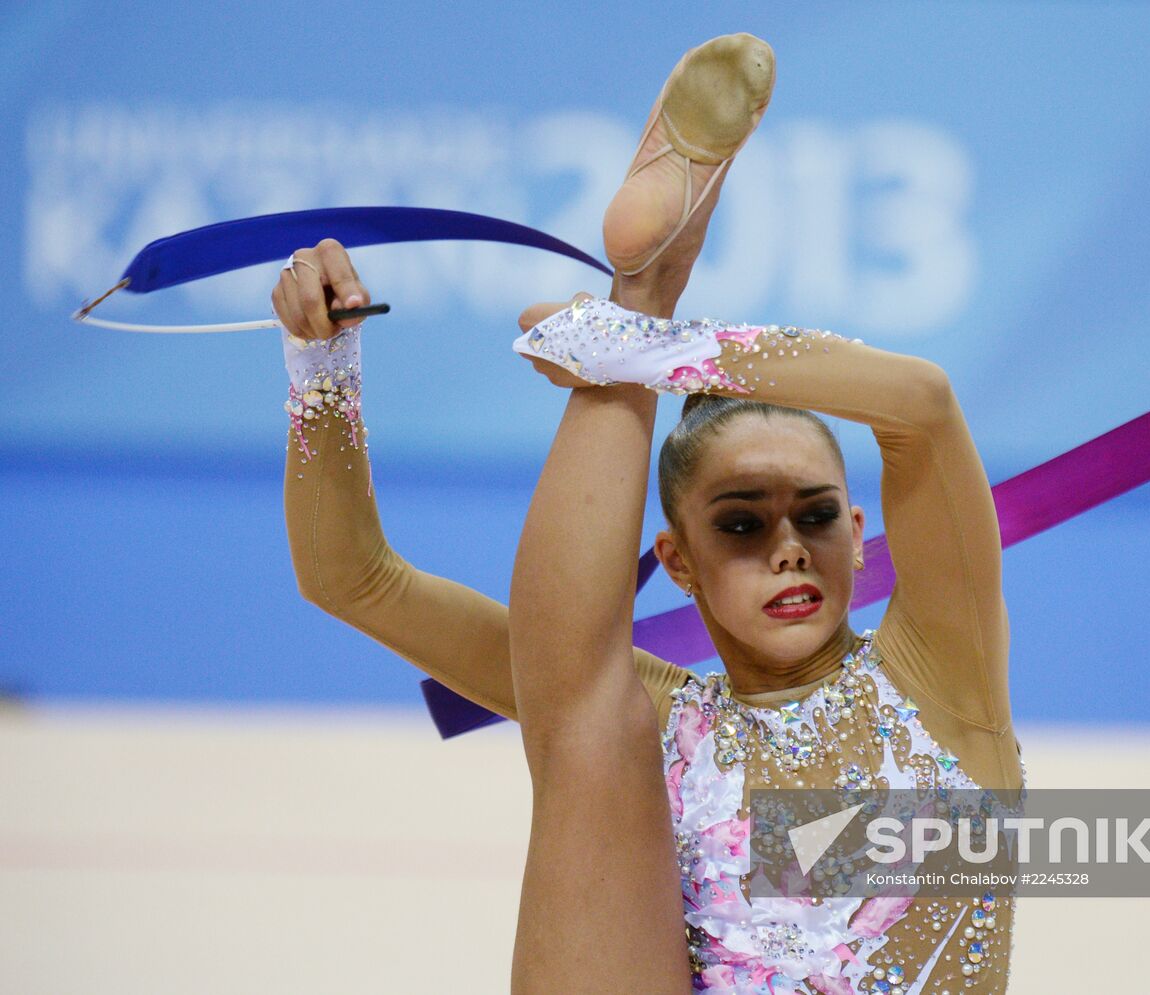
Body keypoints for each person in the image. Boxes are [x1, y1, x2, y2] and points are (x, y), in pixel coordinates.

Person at [273, 33, 1024, 995]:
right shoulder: (650, 717)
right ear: (676, 560)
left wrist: (644, 349)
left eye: (818, 514)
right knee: (589, 714)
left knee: (585, 705)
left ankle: (639, 295)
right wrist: (319, 367)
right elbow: (353, 577)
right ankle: (642, 284)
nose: (790, 548)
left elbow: (920, 402)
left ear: (860, 533)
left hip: (643, 355)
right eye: (743, 525)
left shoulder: (939, 678)